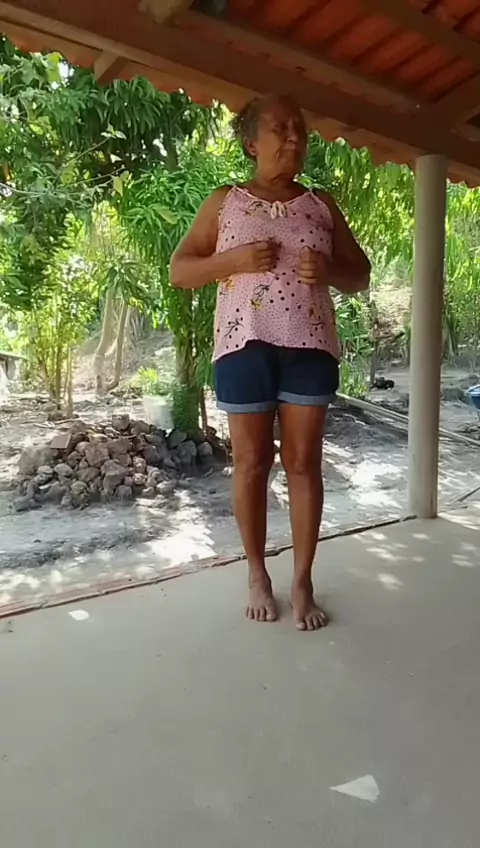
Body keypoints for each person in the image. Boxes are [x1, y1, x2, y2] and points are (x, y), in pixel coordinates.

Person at [170, 94, 370, 631]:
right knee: (252, 463)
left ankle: (302, 580)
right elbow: (180, 271)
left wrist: (329, 271)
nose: (294, 137)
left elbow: (360, 275)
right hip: (244, 345)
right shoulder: (225, 202)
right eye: (280, 128)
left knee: (304, 464)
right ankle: (257, 573)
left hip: (309, 347)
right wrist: (232, 260)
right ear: (251, 143)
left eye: (299, 128)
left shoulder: (321, 205)